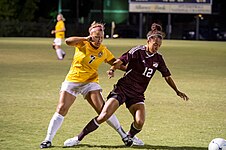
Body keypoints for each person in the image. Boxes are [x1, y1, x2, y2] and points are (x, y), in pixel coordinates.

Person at [63, 23, 189, 147]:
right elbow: (121, 60)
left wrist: (177, 91)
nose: (157, 47)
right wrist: (113, 69)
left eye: (159, 45)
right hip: (122, 89)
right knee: (103, 116)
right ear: (148, 41)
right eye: (155, 44)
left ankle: (129, 137)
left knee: (140, 122)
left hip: (137, 94)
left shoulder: (158, 58)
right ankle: (78, 138)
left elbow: (167, 76)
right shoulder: (137, 51)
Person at [40, 21, 144, 149]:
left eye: (102, 37)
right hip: (73, 80)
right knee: (62, 108)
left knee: (103, 111)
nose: (99, 39)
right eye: (96, 36)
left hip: (90, 83)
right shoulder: (82, 43)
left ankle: (124, 135)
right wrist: (85, 38)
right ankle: (48, 139)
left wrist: (133, 69)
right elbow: (68, 41)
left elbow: (116, 63)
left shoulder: (103, 50)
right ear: (91, 35)